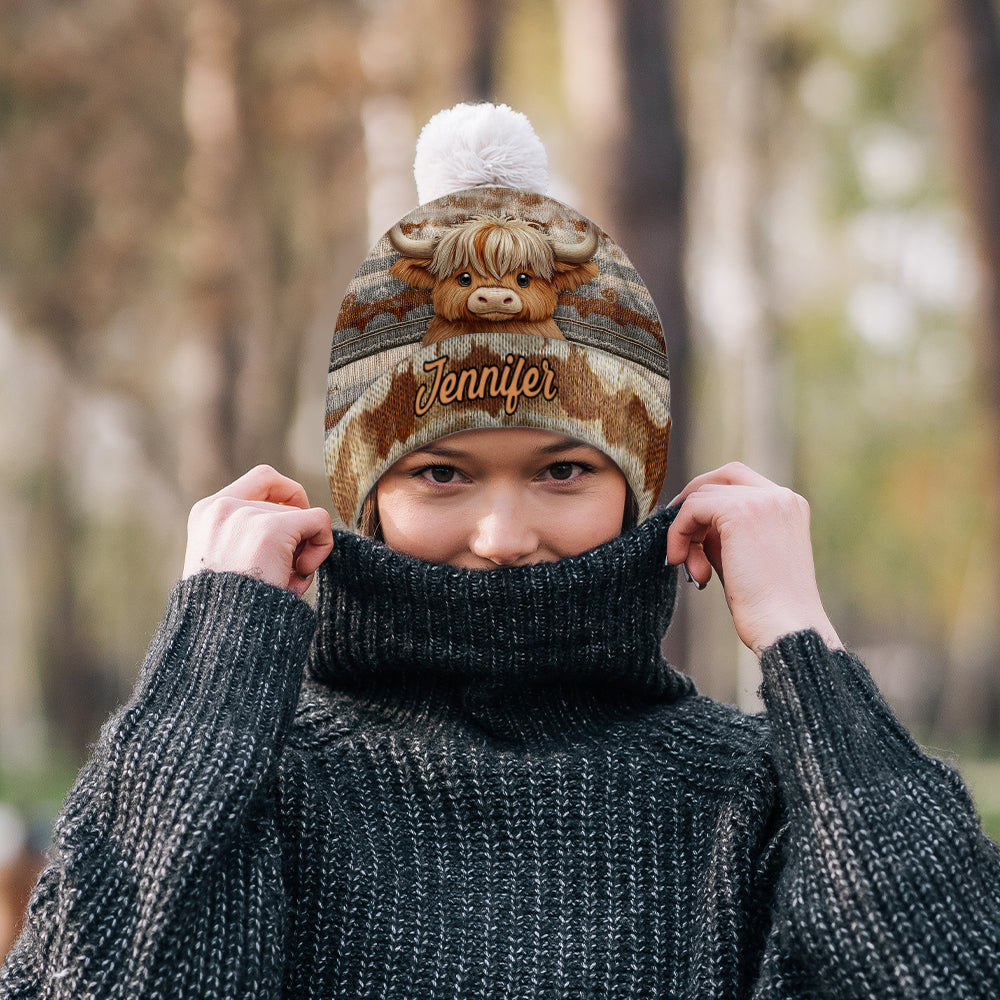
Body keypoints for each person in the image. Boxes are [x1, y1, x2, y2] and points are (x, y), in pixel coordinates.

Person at [2, 102, 999, 999]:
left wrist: (804, 645)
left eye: (563, 470)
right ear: (365, 496)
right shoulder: (258, 786)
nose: (504, 535)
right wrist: (202, 683)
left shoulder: (751, 799)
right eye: (442, 473)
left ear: (634, 490)